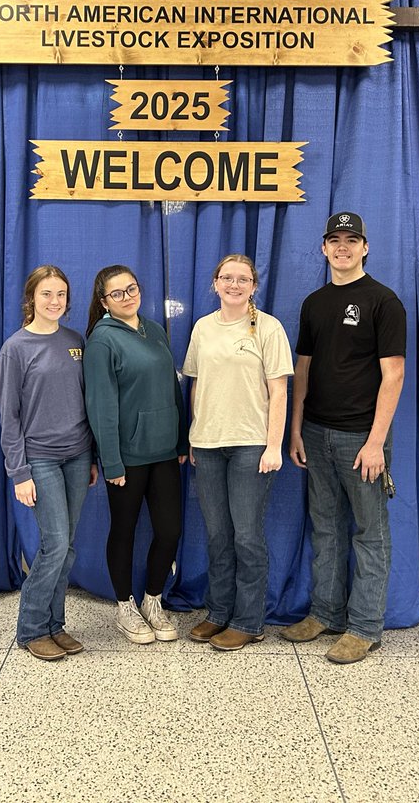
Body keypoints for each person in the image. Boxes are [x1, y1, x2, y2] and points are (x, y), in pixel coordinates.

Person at [286, 212, 406, 665]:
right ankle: (325, 613)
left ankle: (364, 627)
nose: (343, 247)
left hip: (362, 439)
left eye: (351, 240)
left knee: (369, 532)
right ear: (323, 248)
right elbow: (303, 369)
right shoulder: (314, 303)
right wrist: (296, 429)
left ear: (365, 247)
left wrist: (376, 442)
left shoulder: (383, 301)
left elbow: (392, 377)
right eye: (334, 240)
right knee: (326, 527)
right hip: (315, 434)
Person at [182, 254, 293, 651]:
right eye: (226, 277)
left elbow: (279, 390)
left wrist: (274, 445)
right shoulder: (202, 328)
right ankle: (218, 612)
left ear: (254, 286)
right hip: (208, 445)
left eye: (242, 278)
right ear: (215, 283)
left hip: (251, 445)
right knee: (217, 535)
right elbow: (196, 384)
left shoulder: (269, 328)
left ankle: (249, 621)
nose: (234, 284)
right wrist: (195, 435)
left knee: (246, 536)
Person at [0, 265, 97, 662]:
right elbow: (9, 418)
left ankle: (56, 625)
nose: (54, 301)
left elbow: (87, 404)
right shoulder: (16, 349)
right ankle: (32, 628)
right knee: (54, 544)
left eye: (60, 295)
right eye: (46, 294)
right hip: (39, 458)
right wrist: (19, 472)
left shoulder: (76, 341)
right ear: (31, 299)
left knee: (67, 546)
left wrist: (91, 458)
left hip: (78, 456)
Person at [83, 265, 188, 645]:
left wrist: (180, 441)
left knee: (169, 529)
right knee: (124, 531)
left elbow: (170, 389)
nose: (127, 297)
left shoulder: (155, 330)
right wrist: (111, 460)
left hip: (163, 453)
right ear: (103, 301)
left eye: (132, 289)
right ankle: (125, 606)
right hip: (127, 457)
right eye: (118, 293)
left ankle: (153, 600)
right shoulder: (101, 341)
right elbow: (101, 407)